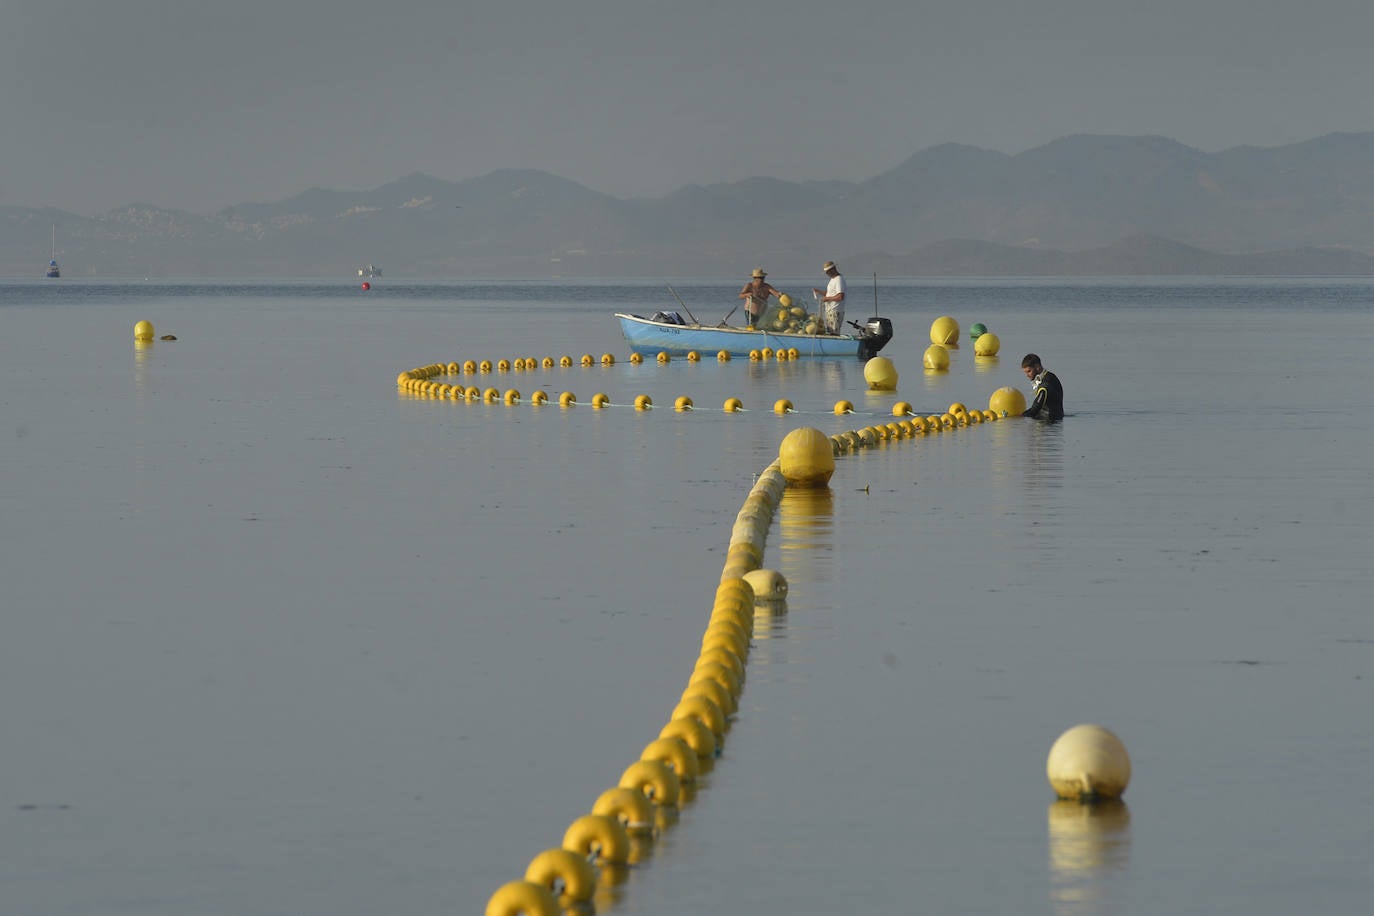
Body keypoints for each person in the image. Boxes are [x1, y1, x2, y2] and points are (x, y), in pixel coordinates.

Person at [1021, 353, 1064, 422]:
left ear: (1037, 367)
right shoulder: (1047, 377)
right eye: (1025, 372)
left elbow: (1035, 408)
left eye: (1029, 371)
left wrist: (1018, 418)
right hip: (1050, 419)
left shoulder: (1046, 383)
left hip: (1049, 422)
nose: (1027, 375)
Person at [811, 260, 846, 334]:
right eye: (826, 272)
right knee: (830, 332)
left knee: (834, 333)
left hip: (835, 311)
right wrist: (819, 292)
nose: (827, 274)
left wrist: (827, 299)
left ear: (833, 269)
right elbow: (830, 294)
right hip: (830, 311)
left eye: (828, 272)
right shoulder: (833, 280)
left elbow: (840, 296)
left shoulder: (839, 280)